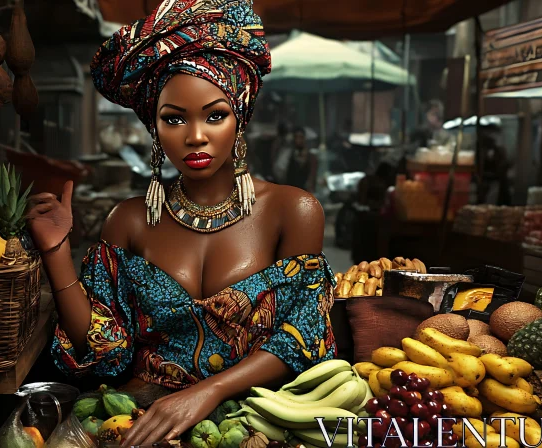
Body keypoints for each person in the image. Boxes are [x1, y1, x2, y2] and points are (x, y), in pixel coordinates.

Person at [25, 0, 336, 445]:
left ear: (240, 118)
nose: (195, 136)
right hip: (140, 421)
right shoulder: (129, 219)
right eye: (173, 119)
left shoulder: (293, 211)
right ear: (154, 127)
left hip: (248, 427)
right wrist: (56, 251)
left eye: (215, 115)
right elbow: (104, 350)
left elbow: (301, 336)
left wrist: (206, 393)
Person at [273, 126, 318, 192]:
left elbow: (312, 174)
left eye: (301, 137)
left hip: (304, 191)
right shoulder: (288, 154)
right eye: (296, 137)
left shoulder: (311, 157)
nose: (299, 140)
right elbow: (281, 170)